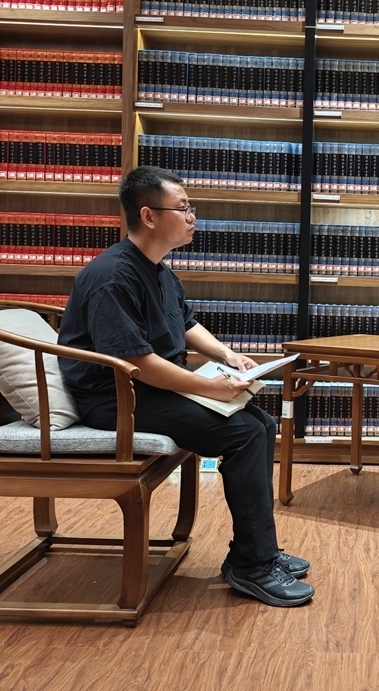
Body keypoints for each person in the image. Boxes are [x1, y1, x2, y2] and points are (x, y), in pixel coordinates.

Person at [57, 165, 314, 607]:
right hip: (116, 401)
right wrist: (208, 388)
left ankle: (256, 550)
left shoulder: (158, 270)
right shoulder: (112, 277)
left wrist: (228, 357)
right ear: (149, 216)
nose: (193, 217)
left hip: (148, 391)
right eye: (184, 208)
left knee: (262, 424)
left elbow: (187, 324)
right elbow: (137, 363)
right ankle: (253, 565)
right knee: (246, 433)